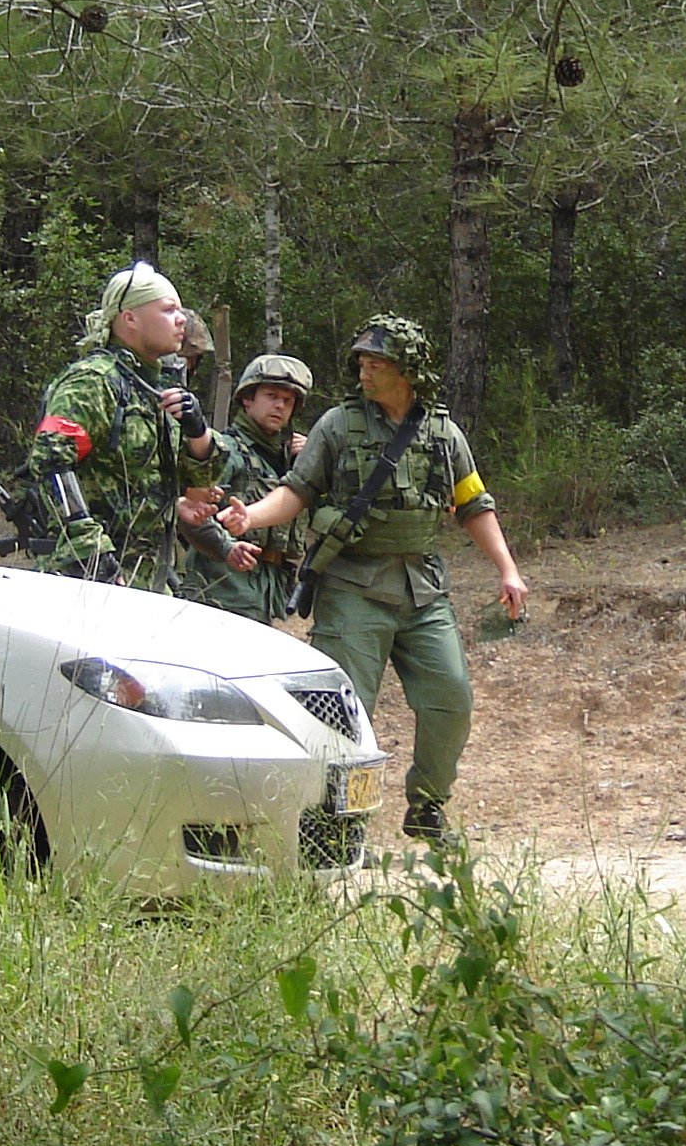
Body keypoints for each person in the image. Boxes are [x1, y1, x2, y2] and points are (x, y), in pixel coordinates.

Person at [219, 315, 528, 844]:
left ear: (406, 371)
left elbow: (473, 503)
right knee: (343, 714)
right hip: (352, 588)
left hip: (422, 590)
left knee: (451, 699)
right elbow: (298, 490)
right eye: (361, 362)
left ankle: (428, 806)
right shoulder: (338, 426)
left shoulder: (443, 434)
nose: (364, 372)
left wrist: (508, 569)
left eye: (376, 364)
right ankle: (331, 825)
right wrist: (250, 516)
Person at [23, 262, 220, 589]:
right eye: (168, 309)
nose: (181, 319)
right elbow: (50, 463)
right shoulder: (94, 381)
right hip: (94, 578)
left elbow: (199, 484)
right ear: (130, 318)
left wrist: (197, 430)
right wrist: (89, 550)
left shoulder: (156, 388)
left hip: (150, 574)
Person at [181, 352, 315, 623]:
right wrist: (227, 548)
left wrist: (310, 461)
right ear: (247, 399)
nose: (279, 406)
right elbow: (192, 515)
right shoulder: (226, 450)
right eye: (271, 396)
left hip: (266, 590)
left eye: (288, 401)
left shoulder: (290, 461)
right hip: (222, 590)